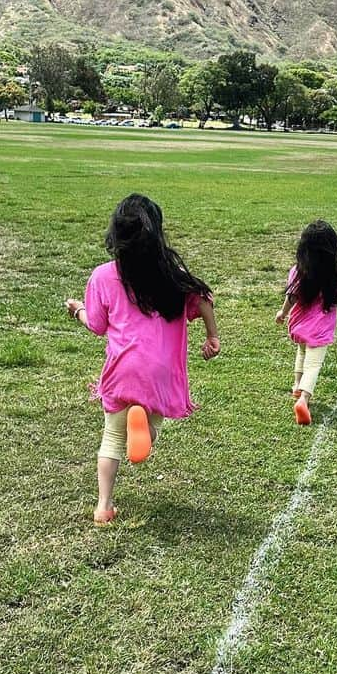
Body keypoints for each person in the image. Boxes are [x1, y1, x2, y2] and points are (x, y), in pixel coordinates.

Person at [65, 194, 220, 525]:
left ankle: (103, 506)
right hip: (160, 372)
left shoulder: (103, 276)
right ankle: (146, 432)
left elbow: (95, 325)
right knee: (148, 426)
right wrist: (212, 335)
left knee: (112, 437)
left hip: (122, 369)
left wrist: (77, 309)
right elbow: (204, 299)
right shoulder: (173, 275)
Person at [275, 220, 337, 425]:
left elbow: (292, 297)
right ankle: (304, 399)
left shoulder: (297, 271)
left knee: (302, 352)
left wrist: (282, 312)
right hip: (321, 328)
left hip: (299, 323)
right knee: (314, 364)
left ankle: (297, 385)